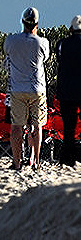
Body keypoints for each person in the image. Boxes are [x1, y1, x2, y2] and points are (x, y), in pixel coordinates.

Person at [3, 7, 50, 171]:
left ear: (22, 22)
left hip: (17, 89)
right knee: (37, 126)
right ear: (37, 23)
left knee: (16, 126)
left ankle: (16, 163)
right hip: (37, 88)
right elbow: (45, 58)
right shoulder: (43, 42)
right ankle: (36, 162)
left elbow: (8, 54)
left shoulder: (11, 41)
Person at [54, 15, 81, 167]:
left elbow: (59, 60)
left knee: (68, 127)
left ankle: (67, 159)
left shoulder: (62, 43)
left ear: (71, 29)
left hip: (67, 91)